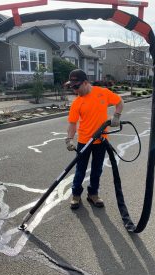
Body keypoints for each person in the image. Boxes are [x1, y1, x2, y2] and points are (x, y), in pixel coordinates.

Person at [65, 69, 124, 209]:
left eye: (76, 86)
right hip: (84, 141)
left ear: (85, 82)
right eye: (71, 86)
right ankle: (76, 195)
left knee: (97, 169)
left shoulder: (102, 92)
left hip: (101, 140)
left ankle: (93, 194)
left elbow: (119, 102)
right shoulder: (77, 103)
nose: (74, 90)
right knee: (80, 169)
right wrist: (69, 139)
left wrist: (117, 116)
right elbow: (72, 124)